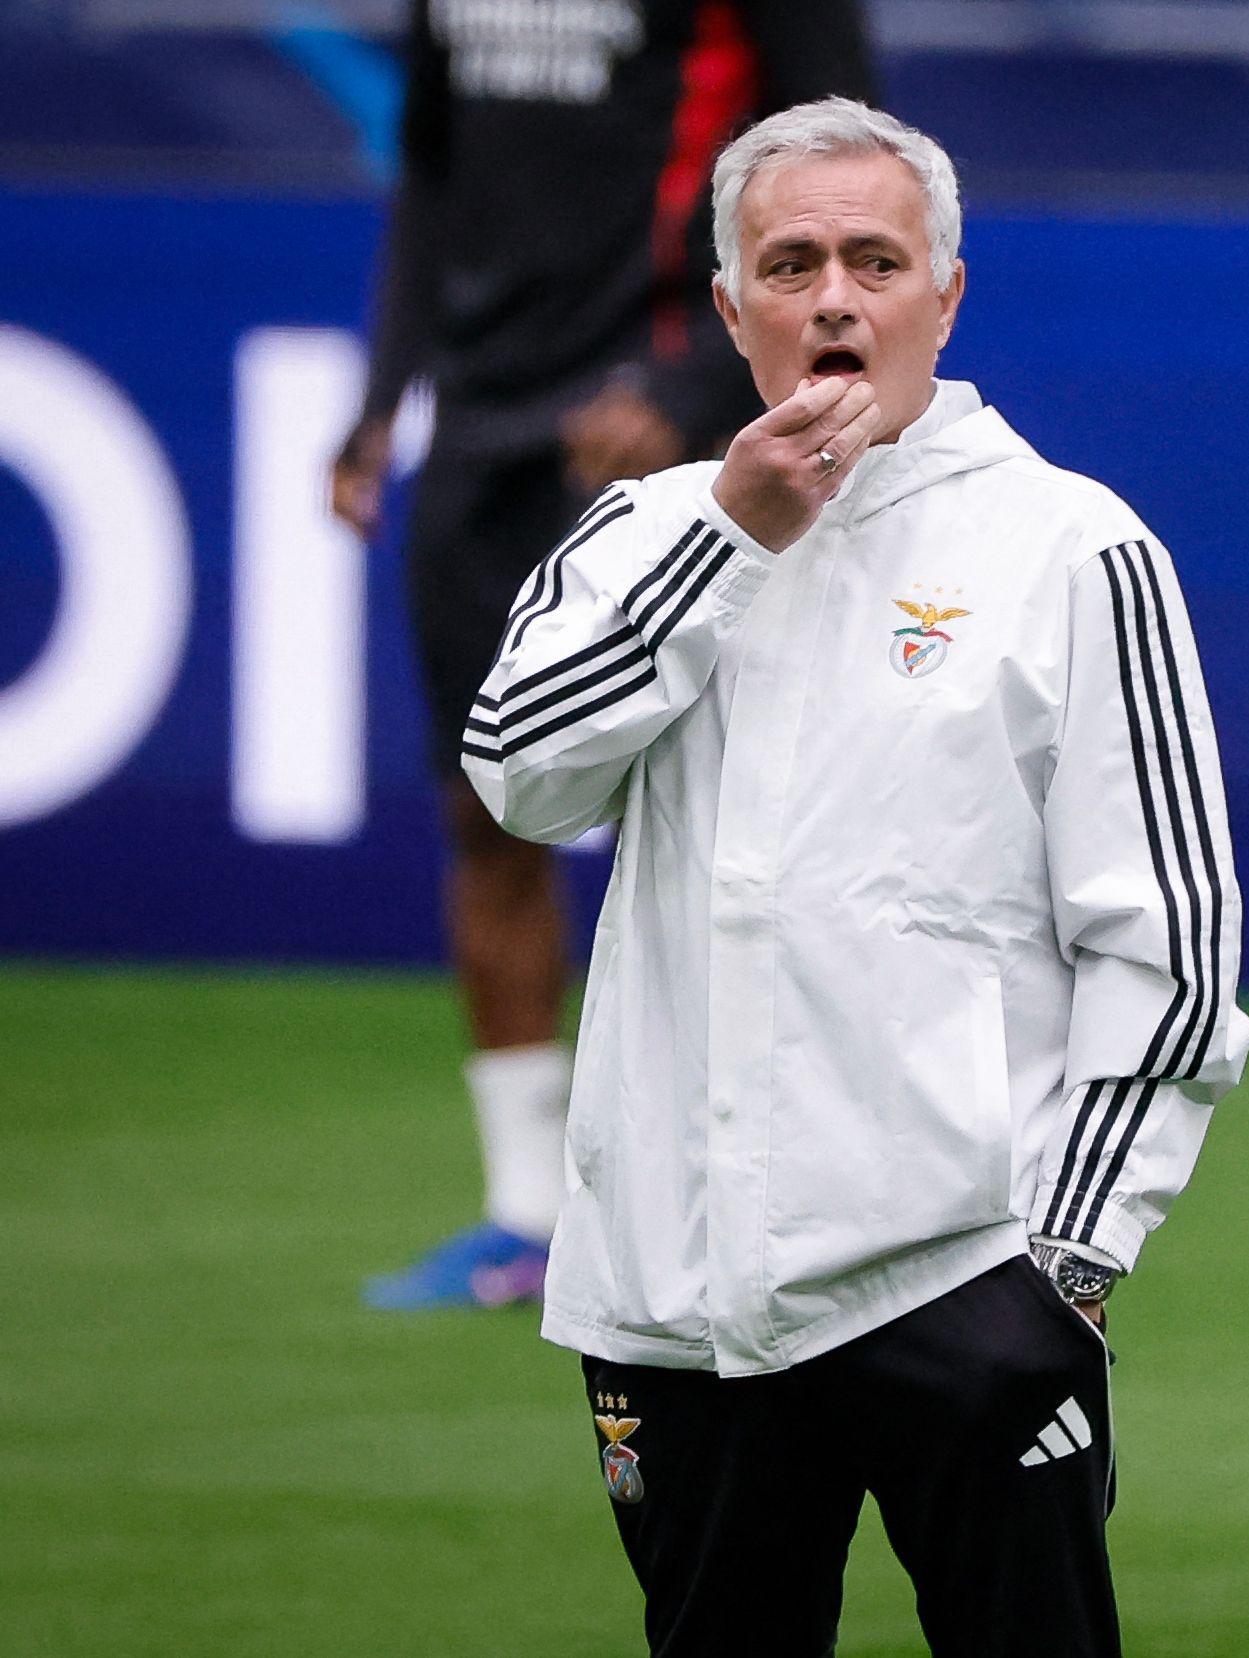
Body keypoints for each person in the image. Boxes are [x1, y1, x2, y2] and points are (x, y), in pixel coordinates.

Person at [459, 98, 1249, 1655]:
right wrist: (733, 541)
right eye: (794, 260)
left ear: (943, 299)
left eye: (877, 260)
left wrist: (1064, 1264)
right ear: (731, 306)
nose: (835, 296)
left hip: (961, 1280)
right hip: (673, 1306)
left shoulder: (1071, 548)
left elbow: (1172, 942)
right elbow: (522, 772)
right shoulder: (643, 530)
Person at [333, 0, 878, 1309]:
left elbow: (854, 163)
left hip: (685, 432)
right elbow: (431, 167)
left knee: (723, 826)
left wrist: (695, 392)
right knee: (485, 806)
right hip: (484, 427)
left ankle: (749, 1196)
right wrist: (381, 400)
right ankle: (524, 1212)